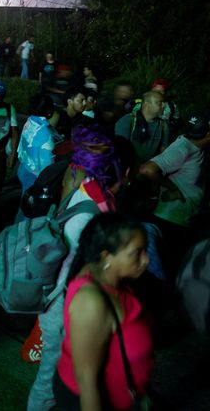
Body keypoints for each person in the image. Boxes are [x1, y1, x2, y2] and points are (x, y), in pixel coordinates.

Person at [27, 125, 129, 411]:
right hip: (63, 308)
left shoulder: (89, 192)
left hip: (68, 304)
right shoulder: (88, 209)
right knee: (48, 381)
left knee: (61, 377)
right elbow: (82, 267)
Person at [54, 213, 153, 411]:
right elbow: (86, 379)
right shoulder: (92, 302)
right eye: (137, 253)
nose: (146, 260)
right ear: (106, 255)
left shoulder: (113, 279)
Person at [139, 111, 210, 278]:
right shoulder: (182, 148)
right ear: (208, 134)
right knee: (170, 269)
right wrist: (173, 189)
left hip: (184, 220)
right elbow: (148, 169)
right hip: (169, 222)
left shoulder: (197, 147)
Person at [17, 94, 62, 192]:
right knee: (31, 204)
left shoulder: (30, 120)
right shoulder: (45, 133)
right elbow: (47, 166)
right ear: (49, 112)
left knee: (24, 200)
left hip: (24, 168)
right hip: (35, 177)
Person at [114, 90, 169, 165]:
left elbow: (164, 150)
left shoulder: (162, 125)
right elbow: (120, 151)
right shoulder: (127, 121)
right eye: (159, 102)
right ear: (146, 105)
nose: (163, 105)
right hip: (130, 167)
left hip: (148, 169)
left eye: (163, 103)